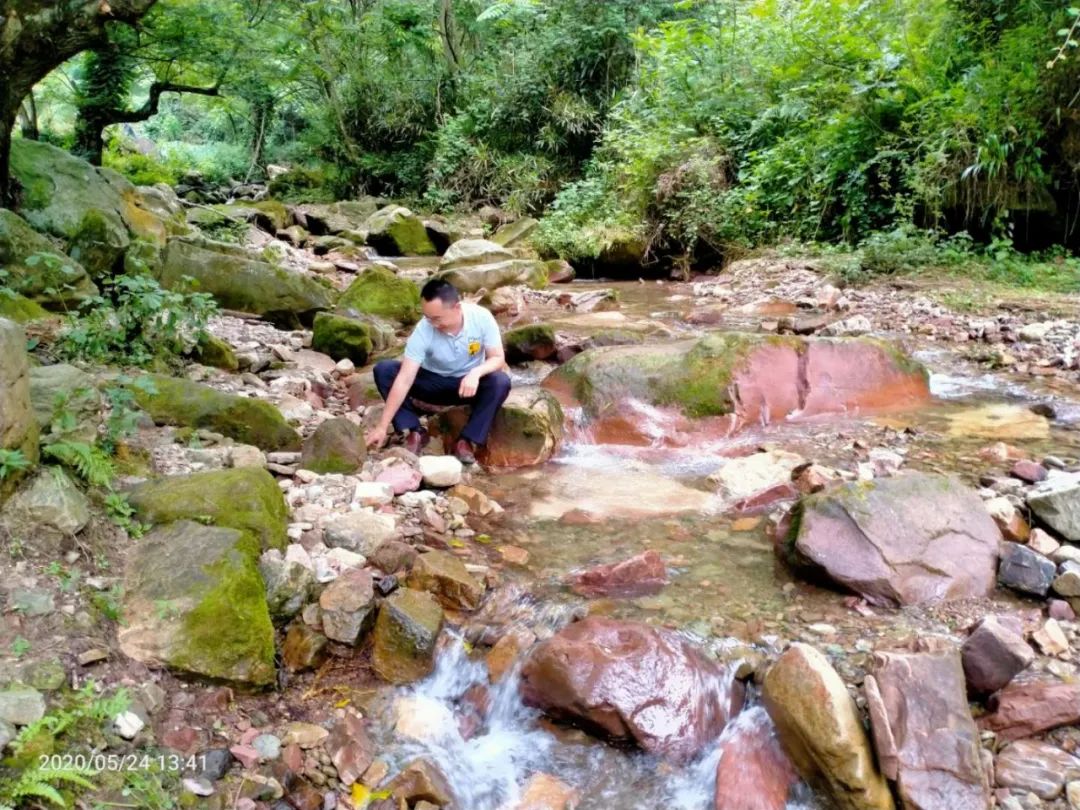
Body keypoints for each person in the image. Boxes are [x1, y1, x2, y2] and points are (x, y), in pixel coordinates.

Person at [364, 278, 511, 464]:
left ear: (457, 307)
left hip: (467, 385)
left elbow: (497, 358)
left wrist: (476, 373)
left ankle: (466, 441)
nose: (432, 323)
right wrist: (382, 426)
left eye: (437, 318)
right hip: (431, 384)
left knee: (500, 382)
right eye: (428, 317)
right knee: (384, 370)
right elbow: (405, 379)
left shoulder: (481, 318)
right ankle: (414, 431)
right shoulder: (423, 329)